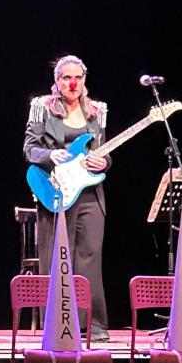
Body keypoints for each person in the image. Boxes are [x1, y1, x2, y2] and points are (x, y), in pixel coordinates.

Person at [23, 54, 111, 342]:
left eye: (78, 77)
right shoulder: (42, 109)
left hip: (88, 193)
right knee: (57, 256)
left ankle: (92, 324)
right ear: (57, 81)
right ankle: (58, 320)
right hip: (56, 190)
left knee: (89, 257)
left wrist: (105, 162)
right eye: (66, 78)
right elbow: (29, 149)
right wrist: (51, 155)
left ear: (84, 79)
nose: (73, 83)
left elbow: (103, 152)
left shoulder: (96, 111)